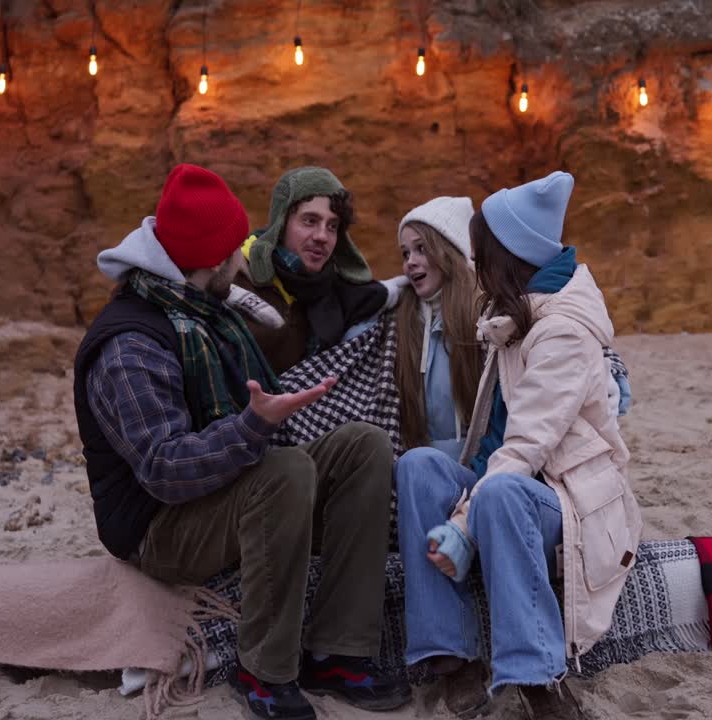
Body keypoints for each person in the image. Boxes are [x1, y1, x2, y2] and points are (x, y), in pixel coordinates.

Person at [73, 164, 411, 720]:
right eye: (235, 246)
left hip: (225, 492)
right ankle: (266, 670)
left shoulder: (204, 309)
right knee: (285, 472)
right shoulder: (131, 343)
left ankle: (337, 652)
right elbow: (164, 468)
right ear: (210, 258)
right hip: (158, 527)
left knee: (363, 446)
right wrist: (254, 426)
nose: (243, 256)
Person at [395, 171, 642, 720]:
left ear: (506, 258)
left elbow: (526, 448)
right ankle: (450, 658)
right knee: (419, 467)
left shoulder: (562, 330)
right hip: (519, 478)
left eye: (481, 258)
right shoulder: (514, 316)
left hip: (570, 496)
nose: (476, 270)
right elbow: (492, 440)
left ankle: (540, 678)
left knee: (502, 495)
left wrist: (462, 526)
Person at [237, 166, 405, 373]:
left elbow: (374, 295)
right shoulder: (237, 280)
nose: (322, 236)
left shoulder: (335, 291)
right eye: (310, 221)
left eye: (332, 226)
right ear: (281, 222)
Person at [392, 197, 483, 460]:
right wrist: (374, 296)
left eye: (421, 248)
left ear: (450, 251)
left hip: (483, 464)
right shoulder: (399, 319)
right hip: (418, 468)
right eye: (405, 253)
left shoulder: (486, 315)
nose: (410, 261)